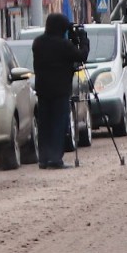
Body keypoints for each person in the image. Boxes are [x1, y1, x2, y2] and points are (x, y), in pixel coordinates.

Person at [30, 12, 89, 168]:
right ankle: (55, 158)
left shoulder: (38, 43)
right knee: (58, 124)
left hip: (42, 91)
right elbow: (81, 56)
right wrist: (83, 39)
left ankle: (44, 159)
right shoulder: (63, 45)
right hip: (60, 91)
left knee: (44, 125)